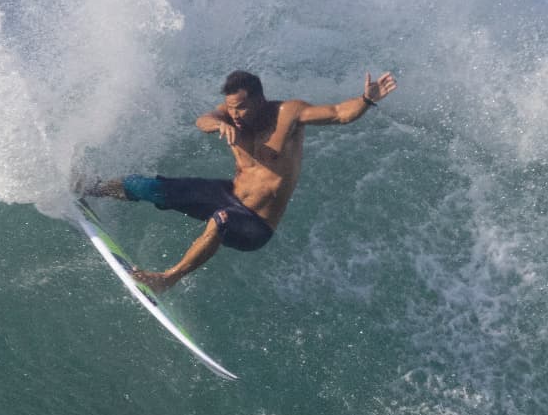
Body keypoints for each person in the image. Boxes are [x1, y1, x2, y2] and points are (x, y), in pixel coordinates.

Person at [81, 68, 397, 292]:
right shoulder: (229, 114)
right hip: (229, 193)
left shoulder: (290, 114)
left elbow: (340, 113)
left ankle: (168, 279)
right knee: (149, 187)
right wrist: (217, 125)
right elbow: (203, 119)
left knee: (221, 220)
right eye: (231, 108)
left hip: (256, 225)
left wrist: (366, 100)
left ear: (260, 99)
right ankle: (91, 187)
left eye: (242, 108)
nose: (236, 115)